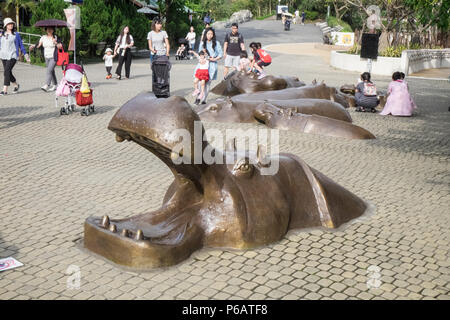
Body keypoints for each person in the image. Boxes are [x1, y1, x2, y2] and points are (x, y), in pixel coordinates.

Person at [0, 18, 30, 96]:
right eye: (9, 24)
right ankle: (16, 85)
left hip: (12, 55)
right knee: (8, 72)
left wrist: (26, 55)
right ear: (5, 25)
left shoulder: (16, 34)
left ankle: (4, 90)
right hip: (3, 55)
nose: (11, 25)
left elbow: (21, 45)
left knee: (6, 72)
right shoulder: (1, 34)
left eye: (12, 24)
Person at [195, 27, 223, 105]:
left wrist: (214, 59)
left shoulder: (216, 43)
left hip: (212, 65)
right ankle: (198, 98)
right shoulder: (202, 43)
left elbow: (220, 54)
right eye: (208, 34)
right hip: (202, 65)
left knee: (207, 83)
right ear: (205, 34)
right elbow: (199, 54)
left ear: (213, 35)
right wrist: (203, 54)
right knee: (200, 82)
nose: (209, 35)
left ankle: (203, 99)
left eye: (211, 34)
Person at [30, 26, 63, 92]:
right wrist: (33, 46)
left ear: (53, 30)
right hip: (46, 57)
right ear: (46, 30)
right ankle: (55, 85)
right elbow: (39, 45)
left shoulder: (55, 37)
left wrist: (55, 42)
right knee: (51, 71)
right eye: (48, 29)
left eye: (51, 29)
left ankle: (47, 85)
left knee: (49, 70)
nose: (49, 30)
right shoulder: (43, 37)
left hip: (54, 57)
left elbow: (60, 47)